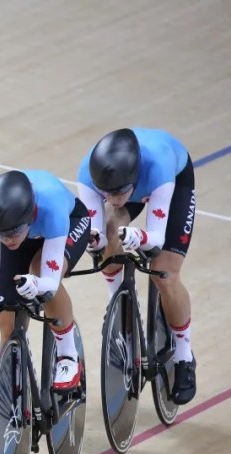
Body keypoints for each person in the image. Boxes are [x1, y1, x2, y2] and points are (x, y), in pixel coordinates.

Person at [77, 127, 198, 404]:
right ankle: (117, 307)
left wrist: (139, 236)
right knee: (108, 236)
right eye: (107, 193)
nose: (114, 199)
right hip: (135, 184)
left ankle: (183, 355)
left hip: (174, 184)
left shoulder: (159, 169)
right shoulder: (88, 175)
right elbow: (94, 234)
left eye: (119, 193)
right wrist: (94, 241)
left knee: (164, 273)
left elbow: (155, 238)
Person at [0, 169, 92, 392]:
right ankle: (14, 365)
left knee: (40, 273)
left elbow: (50, 280)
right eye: (0, 234)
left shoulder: (51, 206)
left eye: (12, 233)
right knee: (6, 315)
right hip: (26, 233)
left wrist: (37, 284)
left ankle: (68, 355)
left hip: (68, 223)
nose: (7, 240)